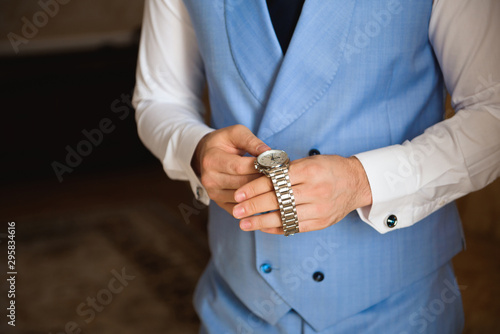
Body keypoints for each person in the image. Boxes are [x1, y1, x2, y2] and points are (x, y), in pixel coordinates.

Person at [133, 0, 500, 332]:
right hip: (236, 303)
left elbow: (493, 113)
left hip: (397, 305)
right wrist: (196, 150)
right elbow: (158, 99)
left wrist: (362, 182)